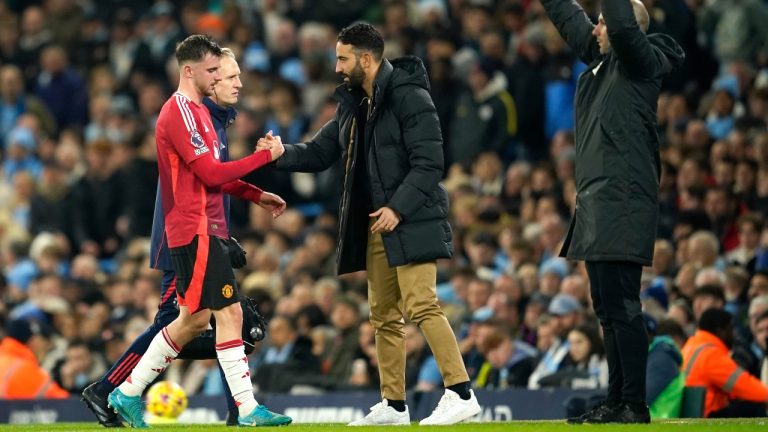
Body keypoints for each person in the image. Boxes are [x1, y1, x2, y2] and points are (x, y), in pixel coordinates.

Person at [259, 23, 480, 426]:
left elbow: (430, 163)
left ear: (366, 58)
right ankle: (394, 405)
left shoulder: (411, 97)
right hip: (376, 224)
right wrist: (280, 153)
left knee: (422, 304)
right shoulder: (352, 104)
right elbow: (321, 151)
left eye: (342, 58)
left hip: (411, 218)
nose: (337, 67)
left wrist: (398, 207)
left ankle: (461, 392)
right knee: (383, 316)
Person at [81, 47, 278, 427]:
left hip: (205, 231)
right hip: (185, 235)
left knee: (209, 318)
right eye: (225, 74)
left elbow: (213, 183)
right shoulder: (190, 115)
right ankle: (111, 390)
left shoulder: (212, 118)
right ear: (207, 76)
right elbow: (207, 178)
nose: (236, 82)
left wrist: (251, 198)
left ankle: (236, 408)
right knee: (189, 319)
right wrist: (263, 163)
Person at [539, 0, 685, 424]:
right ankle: (616, 398)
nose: (596, 27)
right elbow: (572, 22)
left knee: (623, 305)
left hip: (622, 200)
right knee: (605, 305)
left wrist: (615, 14)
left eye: (601, 21)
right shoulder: (602, 69)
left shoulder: (640, 63)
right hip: (599, 202)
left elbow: (620, 24)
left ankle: (634, 404)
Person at [681, 308, 768, 417]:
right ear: (720, 331)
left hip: (691, 416)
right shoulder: (710, 354)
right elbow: (745, 386)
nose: (733, 335)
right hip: (704, 417)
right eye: (731, 329)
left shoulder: (691, 346)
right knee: (754, 409)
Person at [0, 318, 69, 399]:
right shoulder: (23, 368)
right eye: (35, 337)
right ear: (30, 340)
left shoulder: (5, 358)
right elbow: (61, 399)